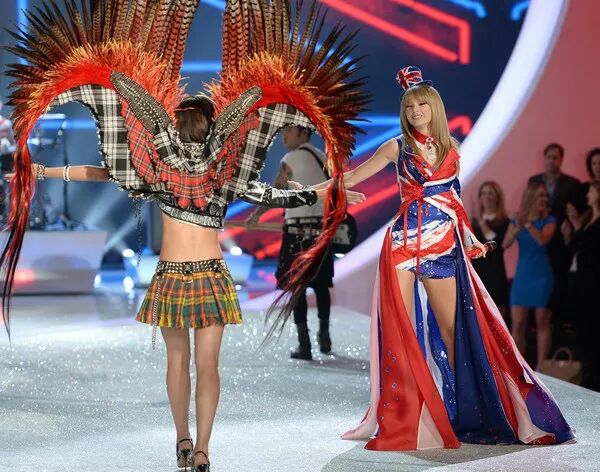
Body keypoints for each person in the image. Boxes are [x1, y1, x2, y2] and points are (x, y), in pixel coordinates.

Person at [10, 98, 365, 470]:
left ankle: (184, 440)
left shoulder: (160, 171)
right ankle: (202, 449)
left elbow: (105, 173)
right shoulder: (221, 174)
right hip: (210, 276)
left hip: (173, 277)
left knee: (178, 363)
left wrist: (43, 170)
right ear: (212, 127)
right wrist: (327, 190)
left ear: (177, 126)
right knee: (207, 366)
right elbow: (276, 196)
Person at [322, 66, 573, 450]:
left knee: (457, 333)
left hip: (441, 245)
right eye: (409, 107)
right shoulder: (396, 147)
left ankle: (475, 411)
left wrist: (469, 238)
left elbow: (453, 201)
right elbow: (353, 177)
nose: (415, 112)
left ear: (434, 107)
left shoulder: (451, 148)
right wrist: (312, 191)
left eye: (421, 105)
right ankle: (403, 417)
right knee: (400, 333)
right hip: (403, 243)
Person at [247, 126, 333, 360]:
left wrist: (256, 215)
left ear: (304, 133)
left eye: (289, 132)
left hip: (296, 234)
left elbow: (275, 191)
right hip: (321, 231)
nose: (284, 137)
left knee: (297, 288)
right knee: (322, 285)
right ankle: (325, 336)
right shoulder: (323, 158)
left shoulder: (290, 158)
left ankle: (304, 344)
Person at [528, 144, 580, 339]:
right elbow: (529, 205)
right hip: (536, 241)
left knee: (559, 285)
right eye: (549, 157)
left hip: (560, 243)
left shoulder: (572, 183)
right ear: (544, 159)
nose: (552, 161)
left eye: (555, 157)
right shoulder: (534, 181)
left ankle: (559, 327)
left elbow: (574, 211)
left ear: (561, 159)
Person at [503, 183, 556, 370]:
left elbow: (542, 240)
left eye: (545, 196)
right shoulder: (517, 220)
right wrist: (517, 226)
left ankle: (541, 368)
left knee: (542, 320)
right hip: (522, 275)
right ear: (530, 198)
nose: (544, 200)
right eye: (540, 196)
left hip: (541, 275)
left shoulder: (550, 220)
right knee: (518, 323)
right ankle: (519, 368)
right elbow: (506, 243)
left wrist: (527, 223)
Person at [562, 181, 600, 390]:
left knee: (591, 327)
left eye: (591, 191)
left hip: (592, 282)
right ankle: (588, 372)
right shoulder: (588, 218)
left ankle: (594, 375)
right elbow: (578, 245)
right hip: (579, 278)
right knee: (582, 327)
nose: (588, 195)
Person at [470, 181, 510, 318]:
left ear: (497, 197)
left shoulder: (504, 222)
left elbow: (496, 243)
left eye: (490, 193)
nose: (486, 196)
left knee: (497, 315)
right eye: (484, 193)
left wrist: (482, 224)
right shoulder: (473, 223)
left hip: (495, 274)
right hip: (477, 274)